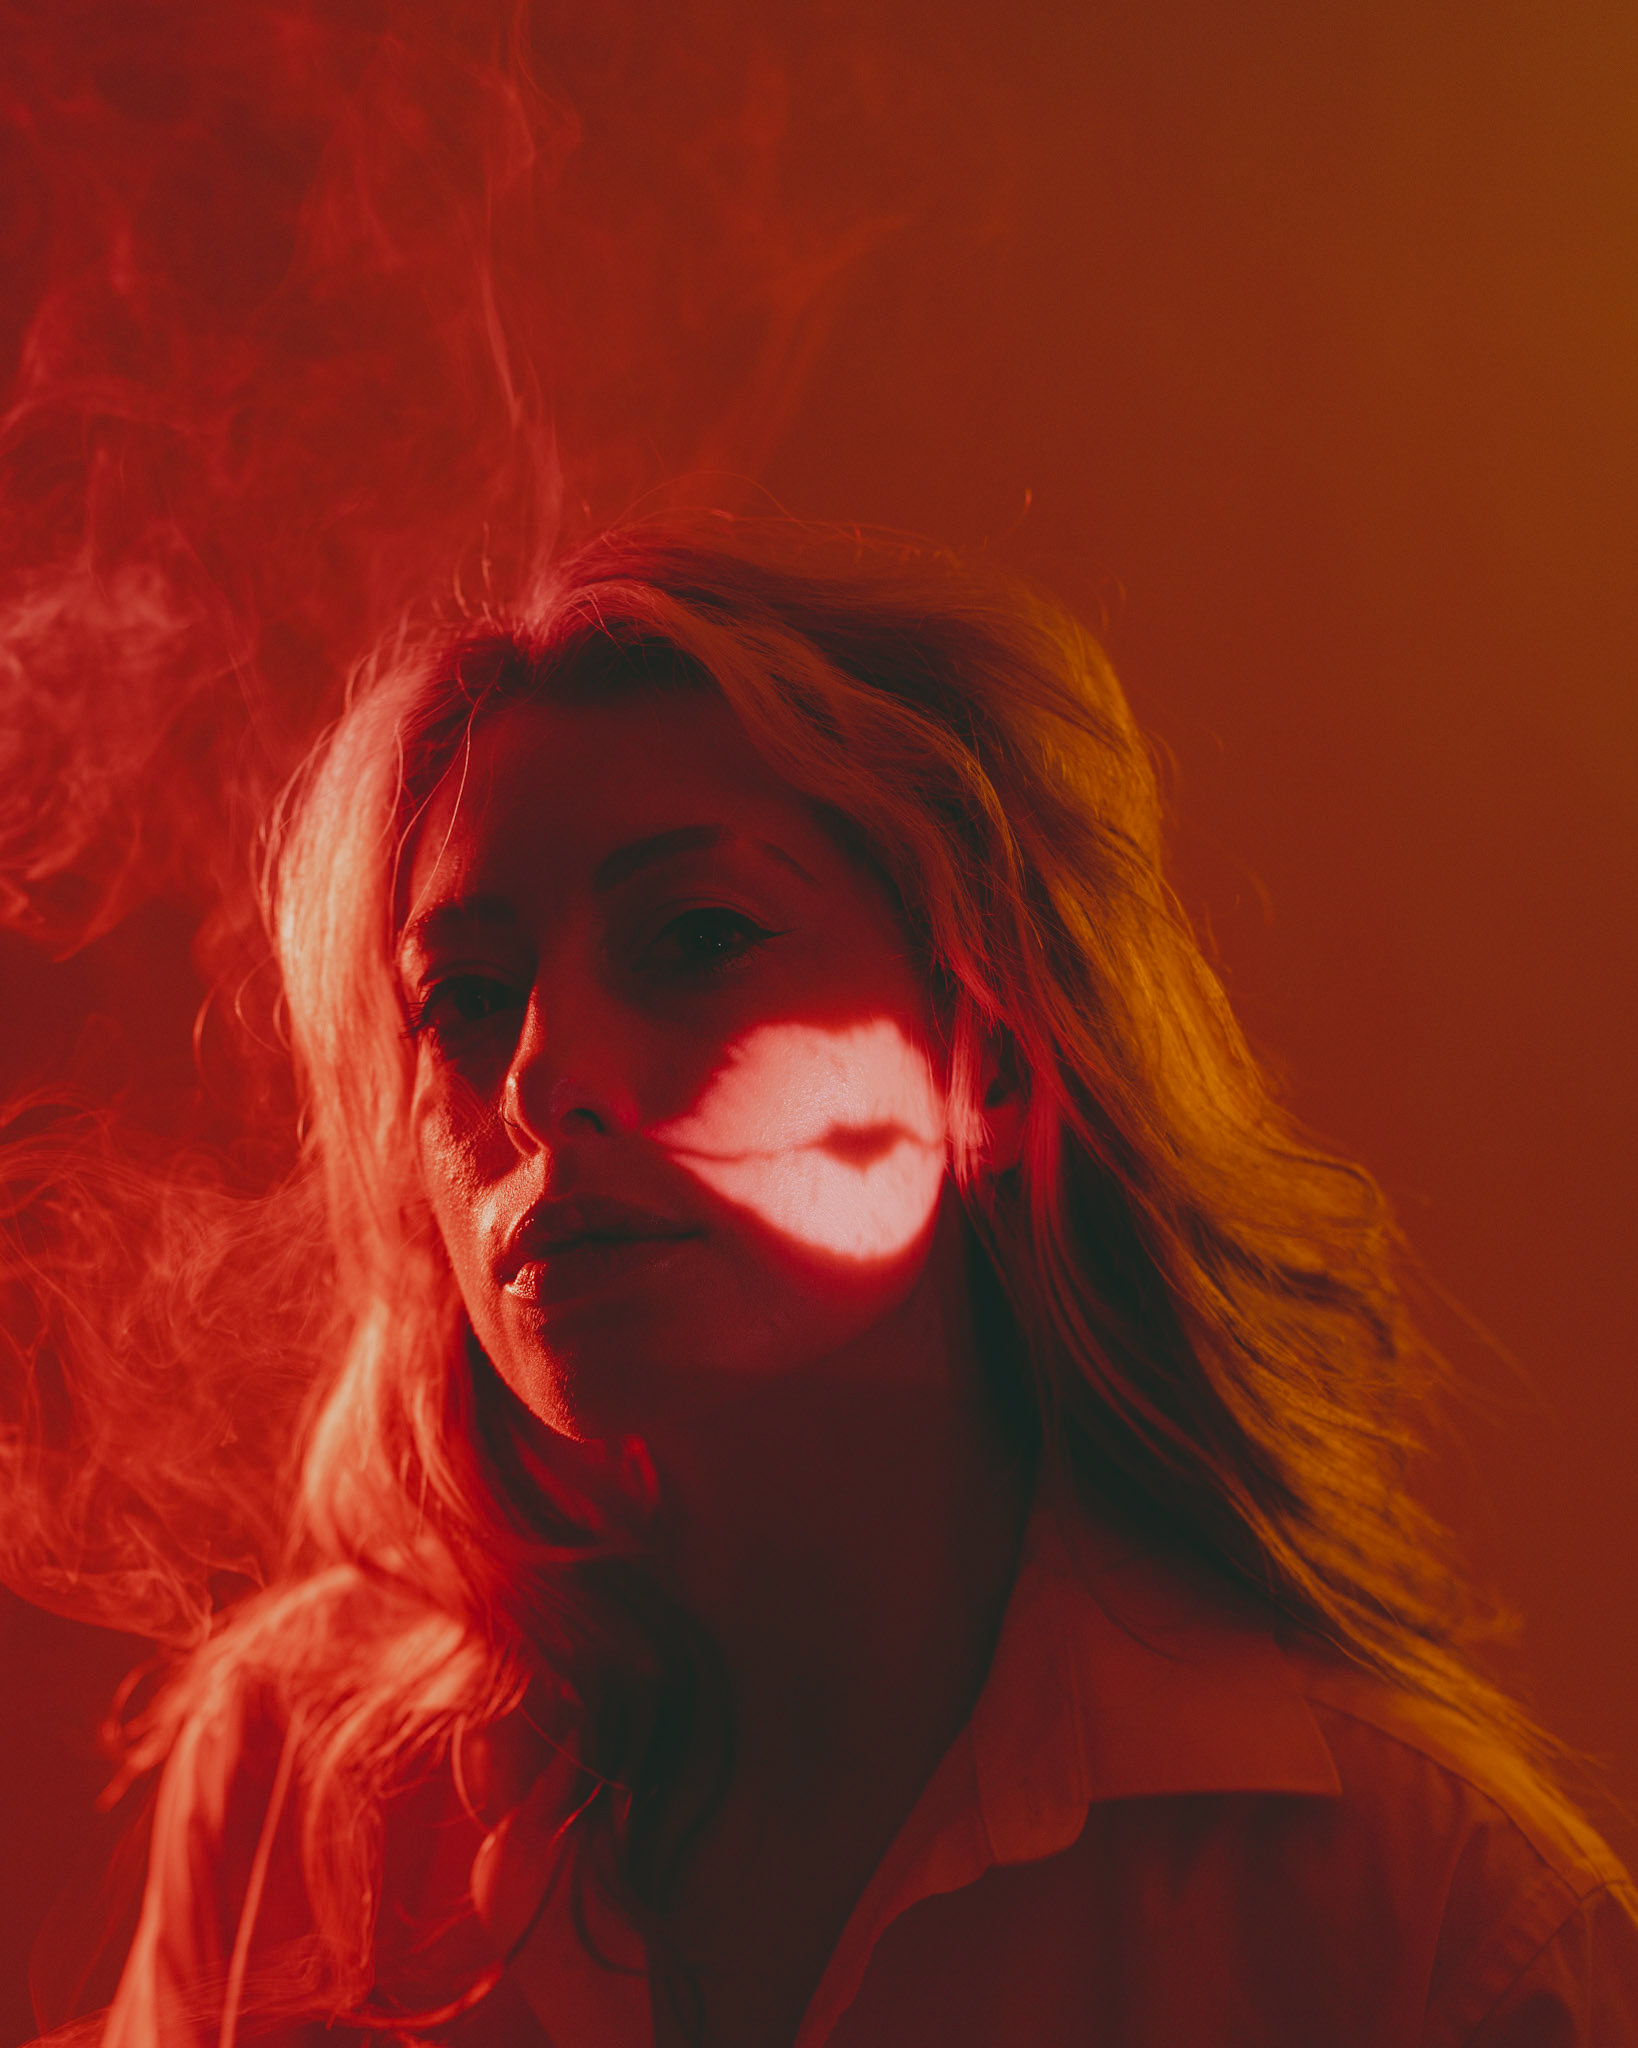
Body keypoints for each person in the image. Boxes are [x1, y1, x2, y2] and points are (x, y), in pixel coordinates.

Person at [86, 518, 1636, 2047]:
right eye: (468, 996)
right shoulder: (307, 1789)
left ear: (988, 1061)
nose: (539, 1074)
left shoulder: (1414, 1927)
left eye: (695, 935)